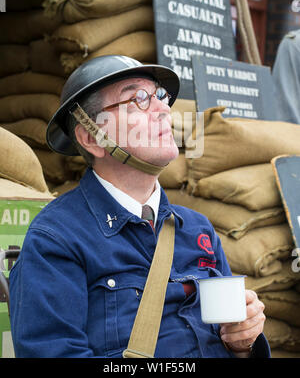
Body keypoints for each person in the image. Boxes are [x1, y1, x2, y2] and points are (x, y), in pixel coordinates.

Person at [9, 55, 270, 358]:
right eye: (138, 99)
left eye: (160, 95)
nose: (162, 108)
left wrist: (241, 344)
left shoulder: (198, 229)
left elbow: (232, 338)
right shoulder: (56, 239)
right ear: (91, 137)